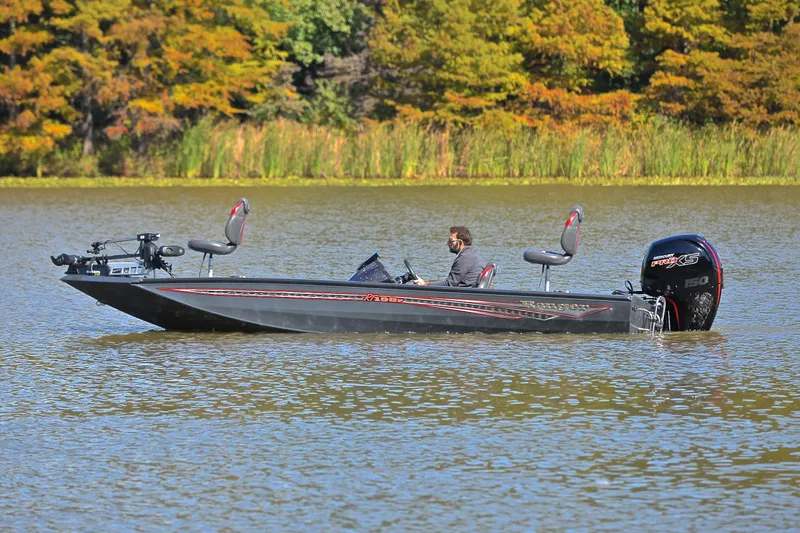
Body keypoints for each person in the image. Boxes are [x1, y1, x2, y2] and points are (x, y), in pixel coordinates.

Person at [413, 226, 485, 287]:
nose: (447, 243)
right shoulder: (472, 255)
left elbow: (449, 284)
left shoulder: (464, 259)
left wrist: (425, 284)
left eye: (451, 240)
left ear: (460, 243)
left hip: (461, 296)